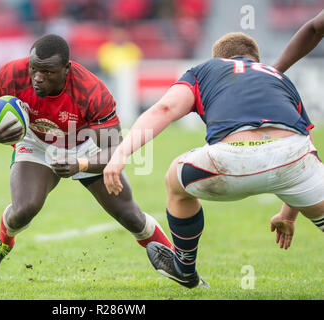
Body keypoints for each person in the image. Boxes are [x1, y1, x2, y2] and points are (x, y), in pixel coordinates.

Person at [103, 32, 324, 289]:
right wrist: (288, 216)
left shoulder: (206, 69)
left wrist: (120, 153)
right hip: (295, 159)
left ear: (218, 58)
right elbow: (305, 144)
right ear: (255, 59)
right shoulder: (279, 77)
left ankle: (184, 268)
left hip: (232, 160)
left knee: (175, 180)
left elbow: (165, 109)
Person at [0, 34, 175, 279]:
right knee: (25, 208)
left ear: (66, 69)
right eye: (34, 69)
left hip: (84, 146)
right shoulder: (13, 73)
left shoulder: (92, 91)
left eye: (47, 72)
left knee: (130, 216)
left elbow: (116, 150)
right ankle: (3, 240)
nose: (37, 77)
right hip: (37, 141)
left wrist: (81, 163)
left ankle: (179, 264)